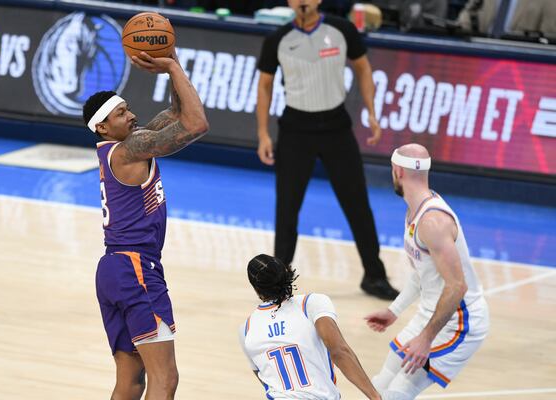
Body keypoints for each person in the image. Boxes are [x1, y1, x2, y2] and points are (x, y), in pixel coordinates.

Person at [83, 50, 208, 400]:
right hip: (136, 268)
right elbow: (197, 123)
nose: (133, 115)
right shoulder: (130, 149)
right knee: (165, 378)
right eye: (122, 113)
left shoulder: (122, 148)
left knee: (131, 382)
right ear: (103, 126)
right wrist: (171, 66)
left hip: (113, 270)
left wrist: (173, 68)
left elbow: (177, 113)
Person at [256, 0, 398, 300]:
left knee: (357, 203)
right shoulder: (277, 40)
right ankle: (278, 283)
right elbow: (265, 86)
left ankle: (374, 275)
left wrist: (371, 113)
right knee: (287, 209)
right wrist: (263, 133)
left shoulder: (342, 30)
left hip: (336, 127)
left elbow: (363, 68)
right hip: (295, 129)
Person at [364, 144, 490, 399]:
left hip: (459, 322)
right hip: (431, 314)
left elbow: (457, 286)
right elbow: (422, 273)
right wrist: (393, 311)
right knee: (379, 385)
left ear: (397, 171)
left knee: (400, 390)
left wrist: (426, 338)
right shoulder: (414, 211)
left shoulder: (433, 221)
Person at [239, 254, 382, 400]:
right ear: (286, 271)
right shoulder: (310, 303)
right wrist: (375, 396)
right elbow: (339, 351)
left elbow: (264, 376)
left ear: (256, 289)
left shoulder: (246, 329)